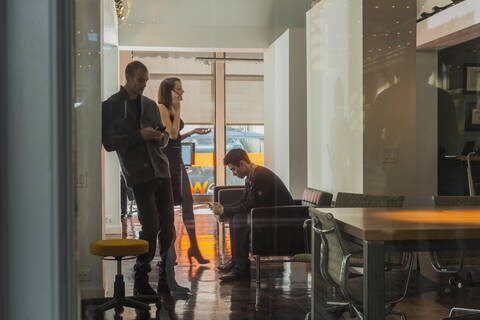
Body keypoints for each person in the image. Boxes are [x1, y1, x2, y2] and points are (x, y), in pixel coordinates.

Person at [102, 61, 176, 306]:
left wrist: (160, 136)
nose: (144, 85)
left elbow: (164, 138)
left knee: (168, 228)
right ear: (128, 77)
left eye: (146, 80)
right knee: (150, 226)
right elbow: (110, 143)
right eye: (140, 80)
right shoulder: (111, 106)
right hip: (138, 174)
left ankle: (166, 276)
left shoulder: (151, 105)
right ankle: (142, 276)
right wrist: (139, 135)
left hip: (161, 171)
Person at [211, 149, 294, 281]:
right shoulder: (253, 174)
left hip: (281, 218)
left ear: (242, 163)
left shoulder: (260, 176)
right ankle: (237, 261)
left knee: (239, 219)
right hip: (271, 214)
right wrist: (225, 209)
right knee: (236, 218)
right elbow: (244, 200)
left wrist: (225, 211)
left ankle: (241, 269)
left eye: (233, 169)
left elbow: (250, 204)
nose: (233, 173)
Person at [157, 77, 211, 265]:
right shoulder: (163, 108)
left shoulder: (171, 109)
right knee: (169, 209)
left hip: (177, 161)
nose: (182, 92)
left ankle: (194, 247)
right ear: (168, 91)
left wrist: (192, 132)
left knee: (188, 204)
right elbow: (171, 134)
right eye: (178, 89)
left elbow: (176, 136)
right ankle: (168, 252)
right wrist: (178, 110)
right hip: (166, 163)